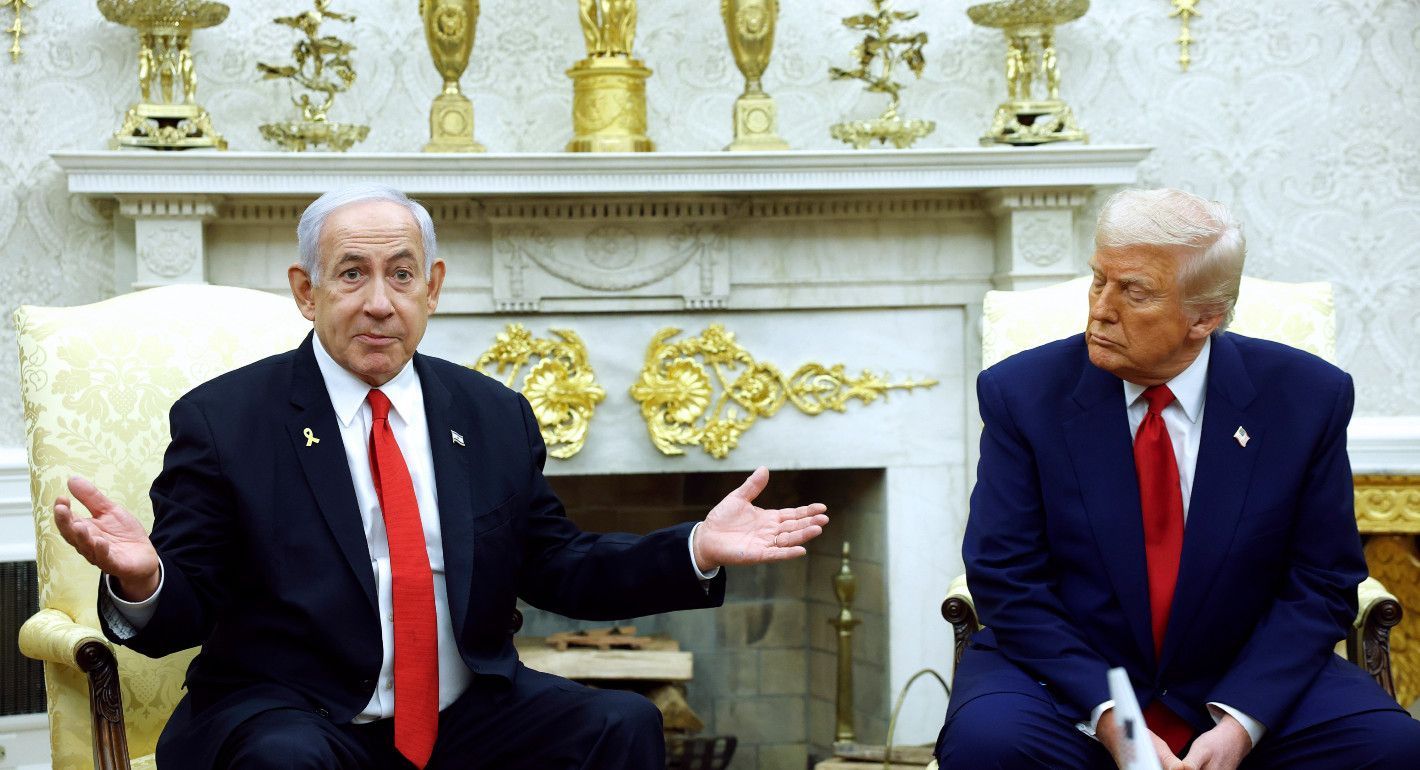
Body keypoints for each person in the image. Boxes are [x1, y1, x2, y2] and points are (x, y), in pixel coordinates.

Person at [52, 184, 829, 770]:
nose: (380, 303)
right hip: (293, 711)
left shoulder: (492, 414)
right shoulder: (227, 421)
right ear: (305, 291)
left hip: (463, 715)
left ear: (434, 287)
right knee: (285, 761)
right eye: (351, 274)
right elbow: (186, 608)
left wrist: (697, 546)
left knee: (620, 726)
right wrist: (146, 579)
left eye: (401, 274)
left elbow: (558, 566)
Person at [936, 188, 1420, 770]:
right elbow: (1007, 577)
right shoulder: (1023, 393)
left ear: (1205, 316)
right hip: (1066, 677)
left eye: (1133, 291)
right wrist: (1113, 716)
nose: (1100, 308)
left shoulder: (1305, 397)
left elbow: (1322, 581)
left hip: (1242, 668)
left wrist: (1242, 721)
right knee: (989, 745)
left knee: (1391, 749)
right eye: (1098, 280)